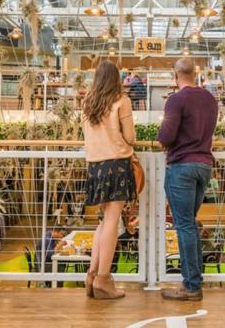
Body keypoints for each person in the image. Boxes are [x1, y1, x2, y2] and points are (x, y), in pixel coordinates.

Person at [157, 58, 218, 301]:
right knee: (189, 225)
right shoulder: (209, 99)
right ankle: (193, 282)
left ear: (175, 75)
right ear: (196, 74)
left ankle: (192, 286)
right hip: (204, 166)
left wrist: (161, 137)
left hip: (182, 166)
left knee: (184, 226)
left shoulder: (176, 99)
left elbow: (166, 136)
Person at [81, 60, 138, 299]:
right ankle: (104, 279)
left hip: (95, 166)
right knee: (113, 221)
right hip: (116, 164)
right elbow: (131, 137)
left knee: (104, 222)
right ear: (116, 78)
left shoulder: (87, 102)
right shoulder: (121, 101)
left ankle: (92, 275)